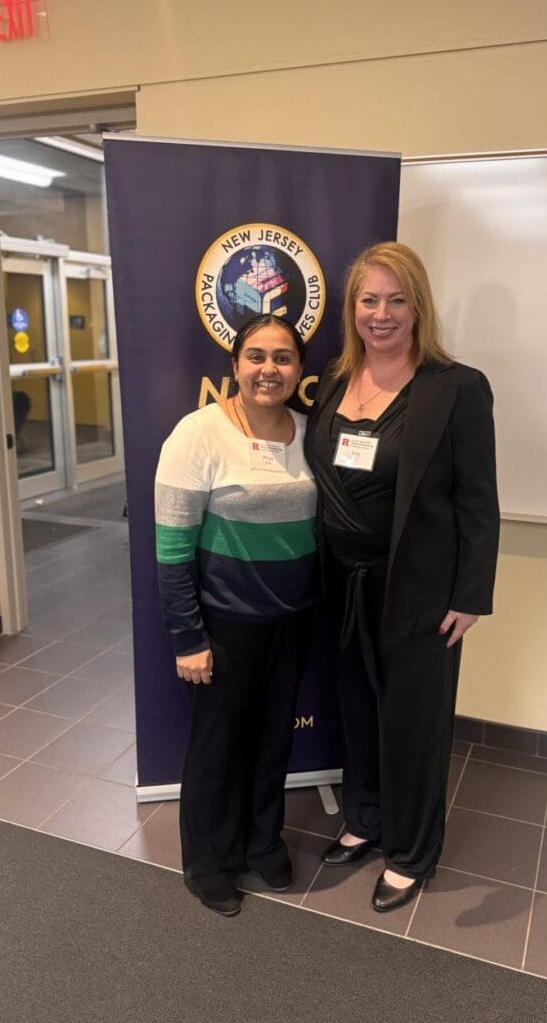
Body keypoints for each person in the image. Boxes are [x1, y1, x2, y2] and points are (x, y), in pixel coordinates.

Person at [305, 241, 499, 913]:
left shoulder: (456, 388)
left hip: (418, 588)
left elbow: (478, 500)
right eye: (369, 300)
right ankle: (365, 819)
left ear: (418, 308)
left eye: (396, 300)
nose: (381, 314)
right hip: (342, 581)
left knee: (413, 722)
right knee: (357, 706)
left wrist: (470, 595)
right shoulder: (335, 380)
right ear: (352, 309)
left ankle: (411, 853)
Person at [154, 314, 317, 917]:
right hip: (223, 626)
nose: (269, 369)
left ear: (299, 369)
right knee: (218, 748)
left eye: (283, 357)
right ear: (235, 366)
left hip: (292, 621)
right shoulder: (198, 434)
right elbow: (172, 549)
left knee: (273, 741)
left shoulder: (310, 432)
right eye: (256, 357)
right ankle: (209, 863)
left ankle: (262, 841)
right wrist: (188, 636)